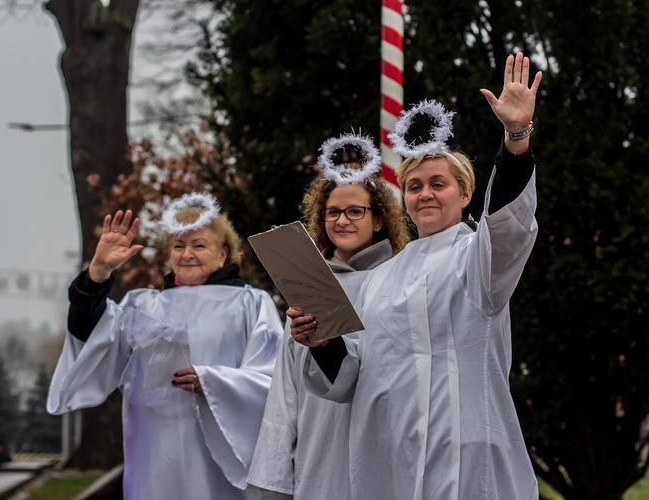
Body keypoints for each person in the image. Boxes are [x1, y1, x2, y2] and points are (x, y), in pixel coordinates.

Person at [291, 52, 543, 499]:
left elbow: (507, 229)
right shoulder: (377, 281)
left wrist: (515, 139)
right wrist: (323, 342)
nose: (425, 194)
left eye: (438, 183)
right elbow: (350, 377)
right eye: (414, 186)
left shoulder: (478, 259)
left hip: (464, 449)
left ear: (466, 193)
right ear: (403, 198)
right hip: (390, 454)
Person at [47, 192, 283, 500]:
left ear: (224, 254)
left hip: (220, 456)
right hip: (154, 451)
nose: (187, 254)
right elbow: (90, 338)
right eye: (178, 246)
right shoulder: (142, 305)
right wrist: (99, 272)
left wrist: (213, 382)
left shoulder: (251, 304)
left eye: (199, 245)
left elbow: (274, 379)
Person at [247, 134, 409, 500]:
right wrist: (275, 477)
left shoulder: (403, 282)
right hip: (319, 451)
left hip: (384, 445)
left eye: (355, 211)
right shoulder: (308, 288)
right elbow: (285, 390)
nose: (342, 220)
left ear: (380, 220)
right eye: (333, 212)